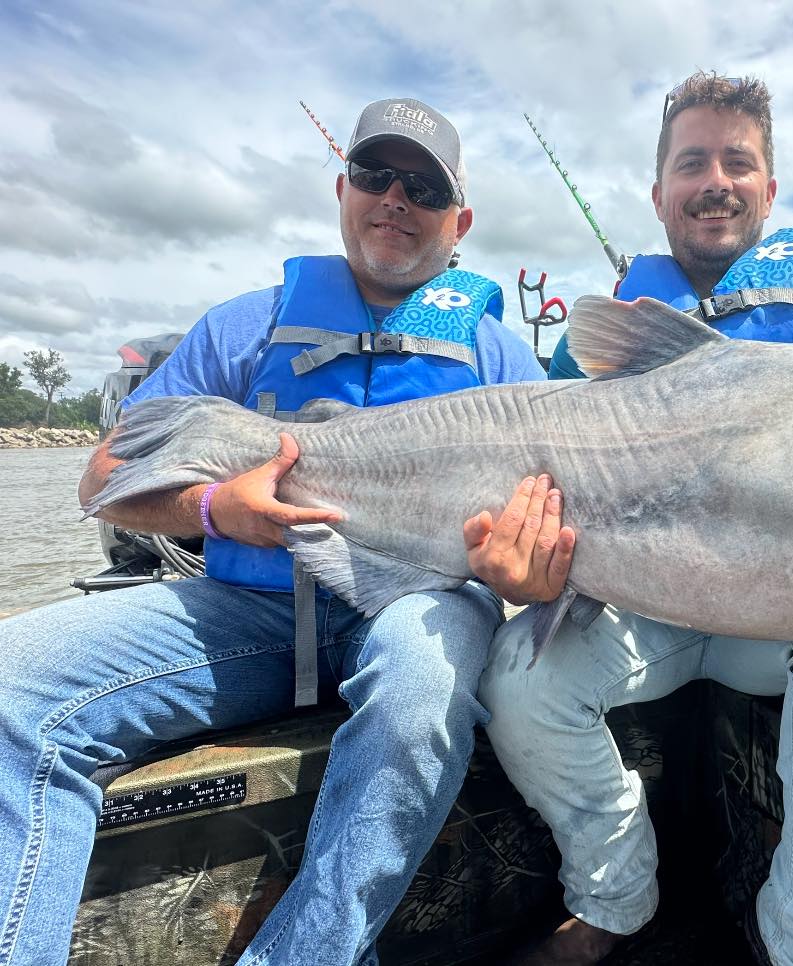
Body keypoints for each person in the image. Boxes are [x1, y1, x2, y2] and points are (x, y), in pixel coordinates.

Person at [0, 98, 572, 966]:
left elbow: (553, 539)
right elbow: (104, 483)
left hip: (417, 608)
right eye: (376, 176)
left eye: (422, 188)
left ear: (458, 223)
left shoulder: (503, 359)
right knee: (12, 692)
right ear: (343, 188)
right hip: (244, 609)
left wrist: (523, 580)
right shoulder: (240, 327)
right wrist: (212, 511)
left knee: (421, 691)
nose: (394, 199)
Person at [470, 73, 793, 965]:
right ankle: (615, 898)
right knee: (520, 686)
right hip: (648, 614)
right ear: (658, 194)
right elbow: (546, 493)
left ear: (768, 189)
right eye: (692, 163)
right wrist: (530, 566)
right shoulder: (595, 344)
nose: (715, 179)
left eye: (738, 161)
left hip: (792, 625)